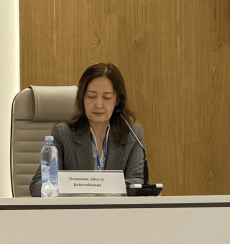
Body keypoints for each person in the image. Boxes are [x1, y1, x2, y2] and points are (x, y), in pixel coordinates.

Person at [29, 62, 146, 197]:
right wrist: (77, 188)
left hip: (116, 210)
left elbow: (138, 182)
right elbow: (38, 186)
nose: (98, 104)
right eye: (91, 96)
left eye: (107, 97)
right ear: (82, 98)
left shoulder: (132, 134)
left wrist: (101, 188)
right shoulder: (63, 134)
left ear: (117, 100)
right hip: (76, 209)